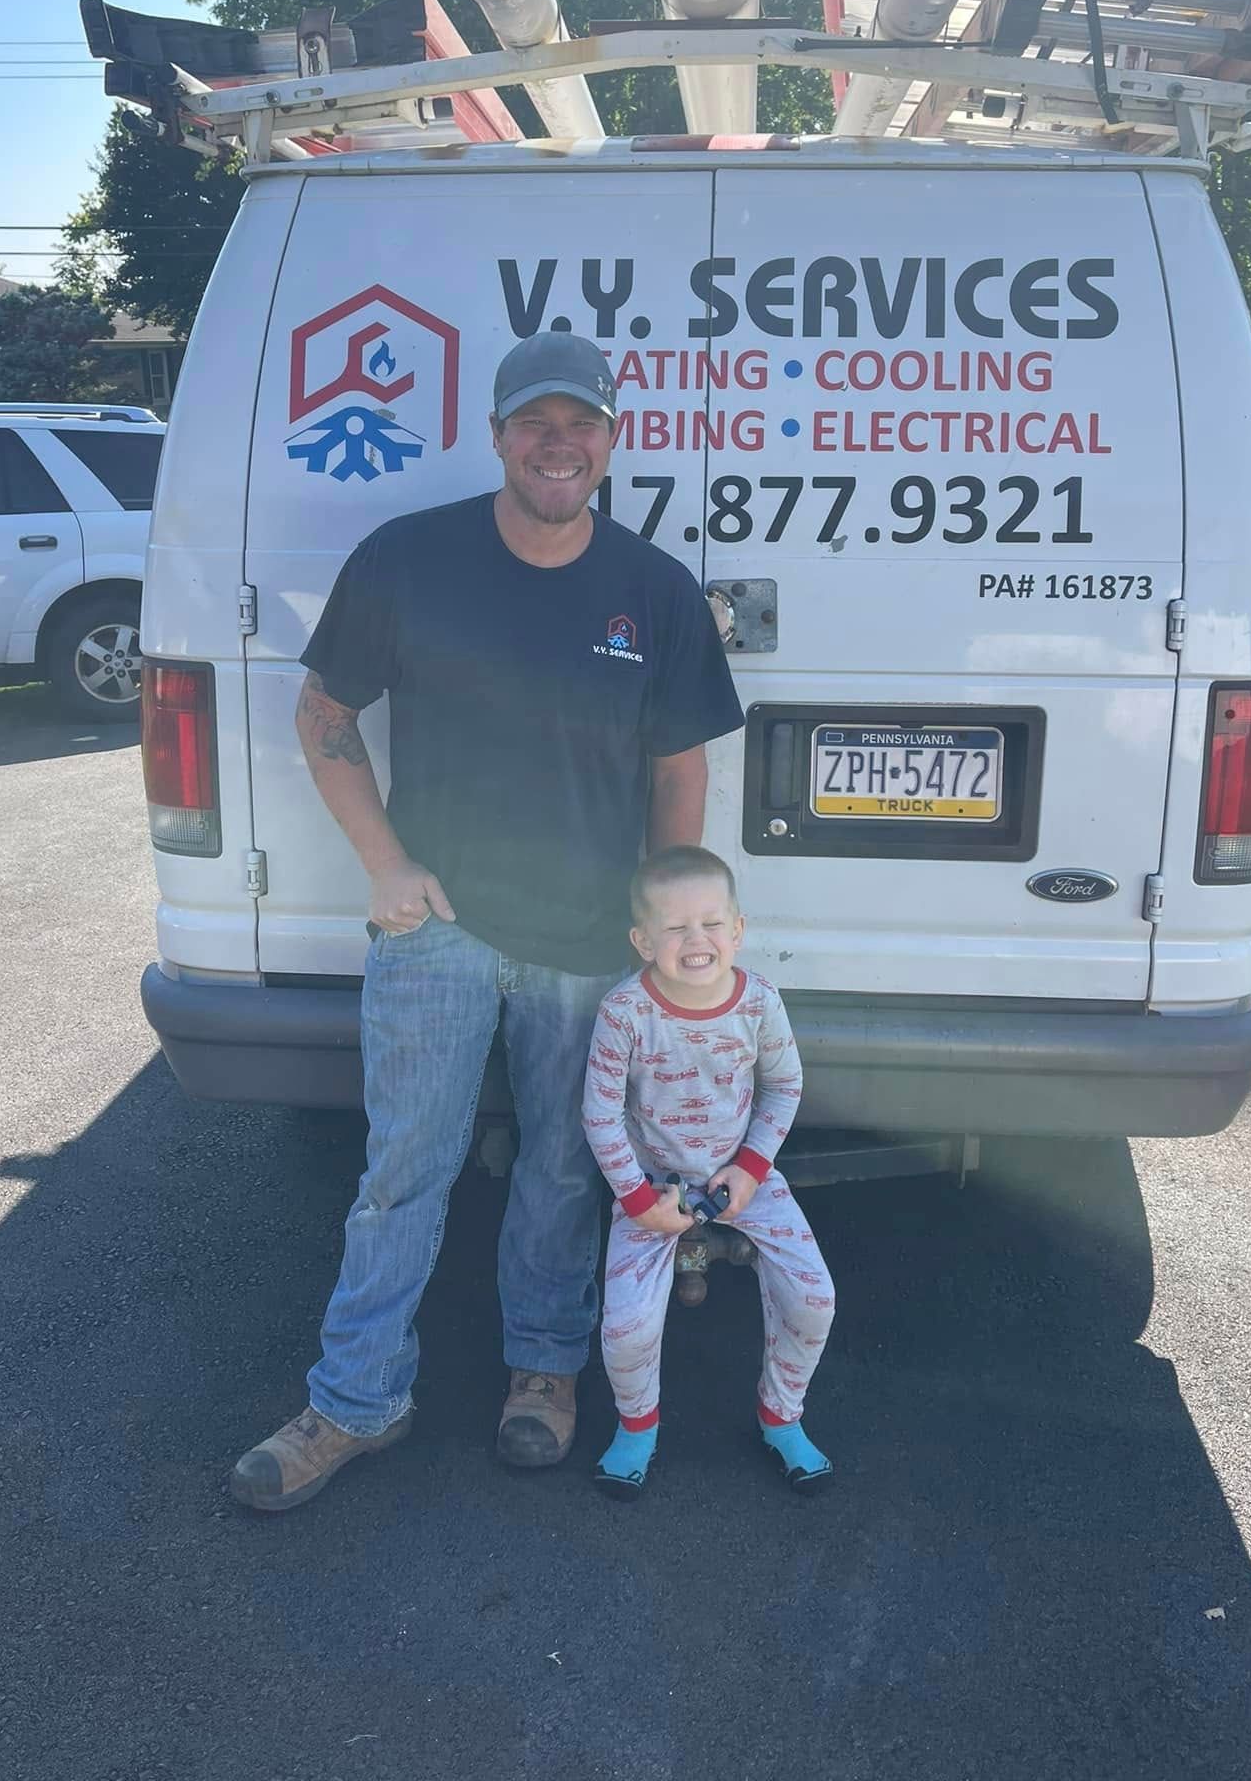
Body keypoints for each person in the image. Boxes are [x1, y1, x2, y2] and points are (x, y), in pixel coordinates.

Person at [230, 332, 744, 1512]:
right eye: (535, 423)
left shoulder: (655, 589)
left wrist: (667, 925)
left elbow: (680, 771)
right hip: (438, 929)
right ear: (499, 435)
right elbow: (323, 711)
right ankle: (356, 1399)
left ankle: (543, 1372)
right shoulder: (410, 559)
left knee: (564, 1168)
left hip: (586, 939)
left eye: (581, 424)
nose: (559, 445)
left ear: (612, 439)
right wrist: (386, 863)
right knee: (401, 1171)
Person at [582, 845, 836, 1499]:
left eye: (712, 923)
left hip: (743, 1177)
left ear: (738, 930)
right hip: (651, 1188)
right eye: (675, 927)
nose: (697, 940)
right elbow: (600, 1115)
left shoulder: (760, 1002)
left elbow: (783, 1086)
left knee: (814, 1298)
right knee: (627, 1327)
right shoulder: (623, 1013)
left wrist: (750, 1169)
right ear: (643, 941)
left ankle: (782, 1416)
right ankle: (636, 1428)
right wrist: (638, 1199)